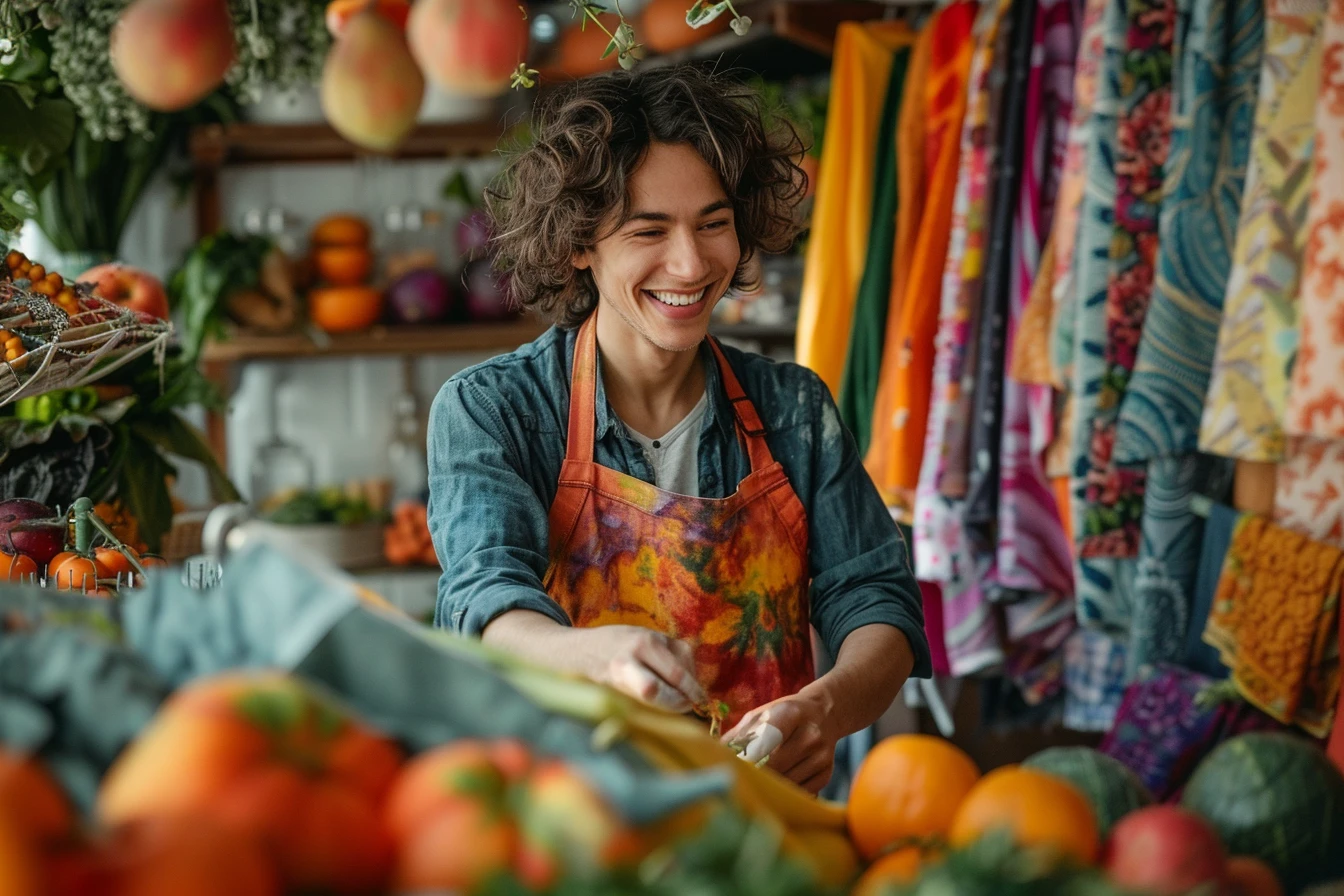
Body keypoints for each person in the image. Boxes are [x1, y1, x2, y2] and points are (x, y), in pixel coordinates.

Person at [427, 64, 930, 795]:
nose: (691, 263)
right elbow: (484, 599)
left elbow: (878, 602)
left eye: (714, 223)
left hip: (761, 832)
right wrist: (594, 658)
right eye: (649, 230)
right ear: (579, 245)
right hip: (561, 827)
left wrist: (825, 707)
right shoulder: (496, 411)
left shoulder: (794, 408)